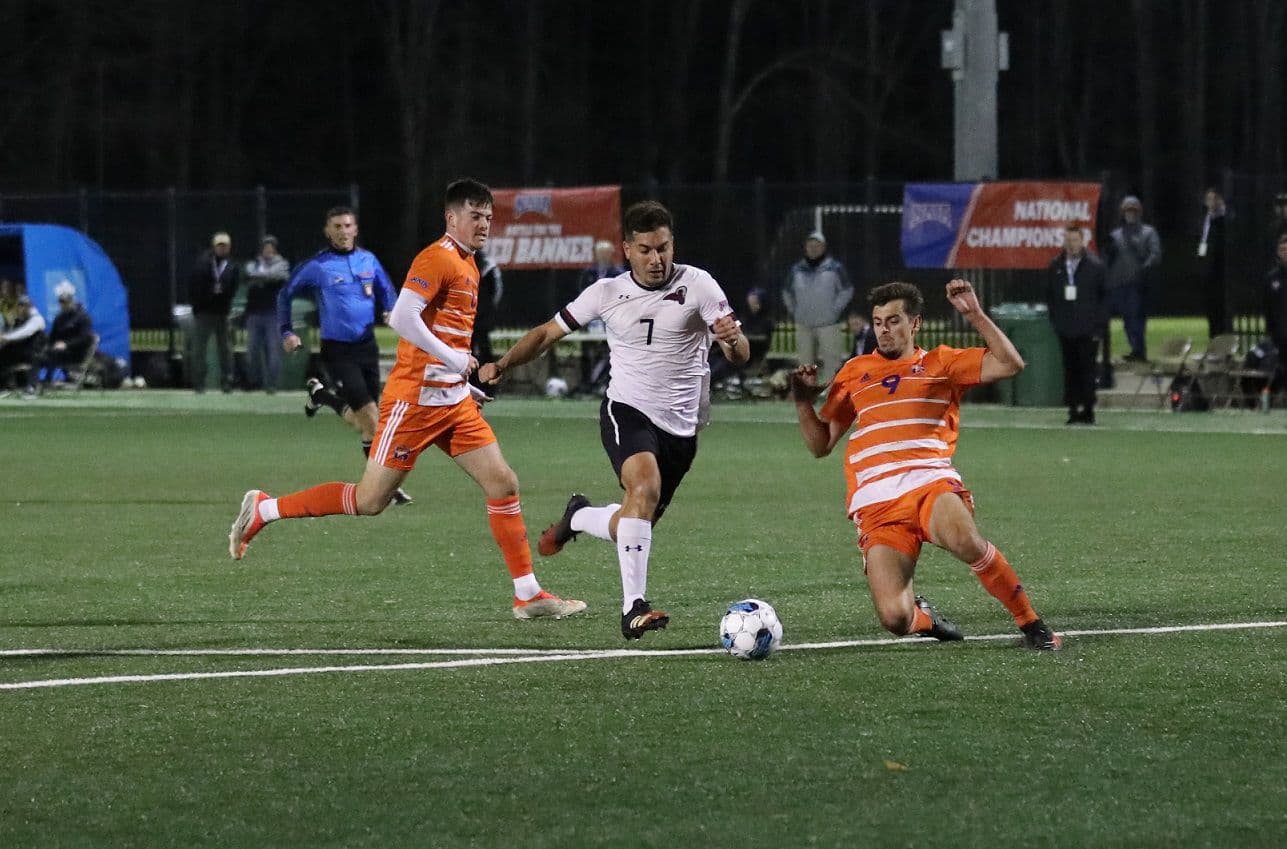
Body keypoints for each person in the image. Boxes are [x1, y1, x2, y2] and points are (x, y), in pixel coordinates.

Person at [230, 179, 586, 621]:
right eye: (475, 217)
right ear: (451, 218)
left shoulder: (470, 264)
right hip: (414, 402)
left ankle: (528, 595)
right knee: (369, 501)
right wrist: (452, 357)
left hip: (451, 401)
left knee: (503, 483)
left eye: (489, 218)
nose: (484, 225)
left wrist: (462, 381)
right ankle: (266, 507)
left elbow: (442, 333)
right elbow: (402, 316)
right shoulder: (436, 257)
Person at [479, 200, 749, 640]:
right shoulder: (605, 292)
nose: (656, 258)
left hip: (681, 428)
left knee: (632, 522)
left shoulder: (699, 284)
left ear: (672, 244)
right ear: (627, 249)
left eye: (662, 247)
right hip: (626, 410)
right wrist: (503, 364)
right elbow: (548, 332)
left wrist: (733, 339)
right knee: (643, 488)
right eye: (645, 249)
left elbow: (739, 355)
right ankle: (632, 609)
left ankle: (579, 517)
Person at [789, 279, 1062, 651]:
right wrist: (802, 401)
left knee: (967, 541)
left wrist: (976, 315)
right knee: (894, 619)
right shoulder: (854, 371)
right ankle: (925, 618)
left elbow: (1010, 364)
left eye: (894, 321)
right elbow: (821, 445)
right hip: (876, 504)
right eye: (878, 322)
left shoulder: (941, 363)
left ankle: (1031, 623)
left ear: (915, 323)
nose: (884, 330)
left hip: (929, 483)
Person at [279, 206, 410, 505]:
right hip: (337, 351)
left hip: (367, 347)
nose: (342, 231)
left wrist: (390, 309)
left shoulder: (368, 260)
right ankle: (384, 488)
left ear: (355, 229)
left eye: (347, 225)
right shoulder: (318, 266)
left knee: (362, 422)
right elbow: (285, 294)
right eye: (336, 226)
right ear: (327, 231)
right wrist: (287, 331)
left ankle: (322, 396)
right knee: (374, 421)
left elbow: (388, 291)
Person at [1046, 224, 1108, 425]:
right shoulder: (1056, 265)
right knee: (1070, 369)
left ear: (1083, 241)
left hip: (1088, 327)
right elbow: (1050, 296)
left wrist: (1099, 327)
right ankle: (1072, 409)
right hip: (1066, 327)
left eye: (1075, 240)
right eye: (1068, 240)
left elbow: (1104, 299)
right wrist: (1056, 321)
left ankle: (1088, 409)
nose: (1071, 245)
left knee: (1087, 370)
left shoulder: (1095, 266)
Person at [782, 230, 853, 383]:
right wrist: (794, 311)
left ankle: (831, 394)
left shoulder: (835, 268)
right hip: (804, 324)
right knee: (805, 363)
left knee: (832, 361)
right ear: (806, 247)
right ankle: (807, 394)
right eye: (810, 245)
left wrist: (834, 311)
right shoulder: (796, 270)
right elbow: (787, 292)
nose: (813, 248)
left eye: (817, 245)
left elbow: (847, 290)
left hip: (828, 324)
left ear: (823, 247)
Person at [1103, 196, 1161, 366]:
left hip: (1138, 284)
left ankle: (1140, 350)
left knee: (1137, 318)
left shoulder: (1148, 232)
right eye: (1127, 210)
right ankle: (1136, 349)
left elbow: (1155, 254)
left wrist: (1144, 267)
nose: (1130, 214)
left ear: (1139, 212)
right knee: (1127, 320)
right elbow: (1108, 257)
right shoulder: (1115, 235)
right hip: (1118, 284)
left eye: (1133, 210)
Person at [188, 230, 243, 392]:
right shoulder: (202, 263)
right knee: (200, 348)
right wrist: (197, 306)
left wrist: (225, 303)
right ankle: (199, 382)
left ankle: (227, 380)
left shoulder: (232, 267)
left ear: (229, 247)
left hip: (222, 313)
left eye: (225, 246)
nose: (222, 249)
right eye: (219, 245)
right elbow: (193, 285)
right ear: (214, 246)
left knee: (225, 349)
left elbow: (233, 288)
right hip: (204, 312)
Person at [243, 235, 290, 393]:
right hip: (254, 313)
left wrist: (260, 277)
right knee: (252, 350)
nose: (268, 250)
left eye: (271, 248)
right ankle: (252, 382)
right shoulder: (253, 263)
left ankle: (272, 384)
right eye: (265, 247)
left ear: (275, 250)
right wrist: (267, 277)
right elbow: (248, 274)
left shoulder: (283, 264)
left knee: (273, 350)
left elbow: (280, 276)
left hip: (273, 313)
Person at [37, 280, 95, 390]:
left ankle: (47, 381)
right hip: (59, 350)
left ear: (71, 301)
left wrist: (67, 344)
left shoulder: (83, 317)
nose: (63, 305)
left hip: (76, 351)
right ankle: (32, 383)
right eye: (61, 302)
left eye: (66, 302)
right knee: (37, 354)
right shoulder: (59, 318)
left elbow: (84, 338)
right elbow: (53, 336)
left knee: (54, 352)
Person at [468, 247, 503, 394]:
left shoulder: (488, 266)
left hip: (481, 316)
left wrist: (487, 310)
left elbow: (496, 290)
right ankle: (468, 384)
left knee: (484, 350)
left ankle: (489, 386)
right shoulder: (461, 264)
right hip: (468, 316)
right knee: (467, 351)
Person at [1197, 187, 1230, 339]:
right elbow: (1203, 242)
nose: (1211, 203)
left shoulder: (1224, 219)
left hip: (1221, 271)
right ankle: (1213, 340)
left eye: (1213, 199)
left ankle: (1223, 342)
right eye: (1208, 199)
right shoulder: (1207, 219)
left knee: (1221, 309)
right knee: (1211, 309)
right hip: (1209, 270)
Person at [0, 295, 46, 395]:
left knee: (34, 356)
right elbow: (12, 333)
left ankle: (32, 387)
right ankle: (3, 387)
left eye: (24, 306)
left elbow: (25, 332)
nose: (21, 308)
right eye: (20, 306)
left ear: (29, 307)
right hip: (21, 351)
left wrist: (6, 337)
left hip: (36, 351)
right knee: (2, 353)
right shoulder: (19, 319)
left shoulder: (37, 319)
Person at [1264, 234, 1287, 391]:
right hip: (1281, 333)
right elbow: (1268, 307)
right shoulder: (1272, 278)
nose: (1285, 252)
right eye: (1282, 249)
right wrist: (1271, 331)